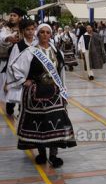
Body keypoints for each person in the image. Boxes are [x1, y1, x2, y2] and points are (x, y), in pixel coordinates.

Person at [6, 24, 76, 167]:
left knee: (56, 122)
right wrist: (23, 81)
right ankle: (42, 154)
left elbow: (61, 74)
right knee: (39, 123)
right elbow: (14, 67)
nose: (45, 35)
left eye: (48, 32)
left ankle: (54, 155)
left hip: (54, 92)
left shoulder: (57, 52)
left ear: (51, 34)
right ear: (38, 34)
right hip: (35, 93)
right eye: (42, 32)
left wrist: (63, 91)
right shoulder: (30, 52)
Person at [5, 20, 38, 106]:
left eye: (32, 29)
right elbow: (11, 64)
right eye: (28, 29)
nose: (30, 31)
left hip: (35, 78)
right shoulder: (18, 45)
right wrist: (22, 80)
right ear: (23, 31)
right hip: (22, 78)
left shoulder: (38, 44)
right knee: (21, 102)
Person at [0, 7, 25, 115]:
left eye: (14, 15)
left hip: (22, 62)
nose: (11, 17)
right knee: (8, 85)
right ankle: (10, 105)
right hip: (7, 61)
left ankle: (21, 106)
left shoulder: (25, 29)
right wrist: (8, 38)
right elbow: (2, 38)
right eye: (10, 15)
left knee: (22, 84)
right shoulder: (5, 29)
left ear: (20, 18)